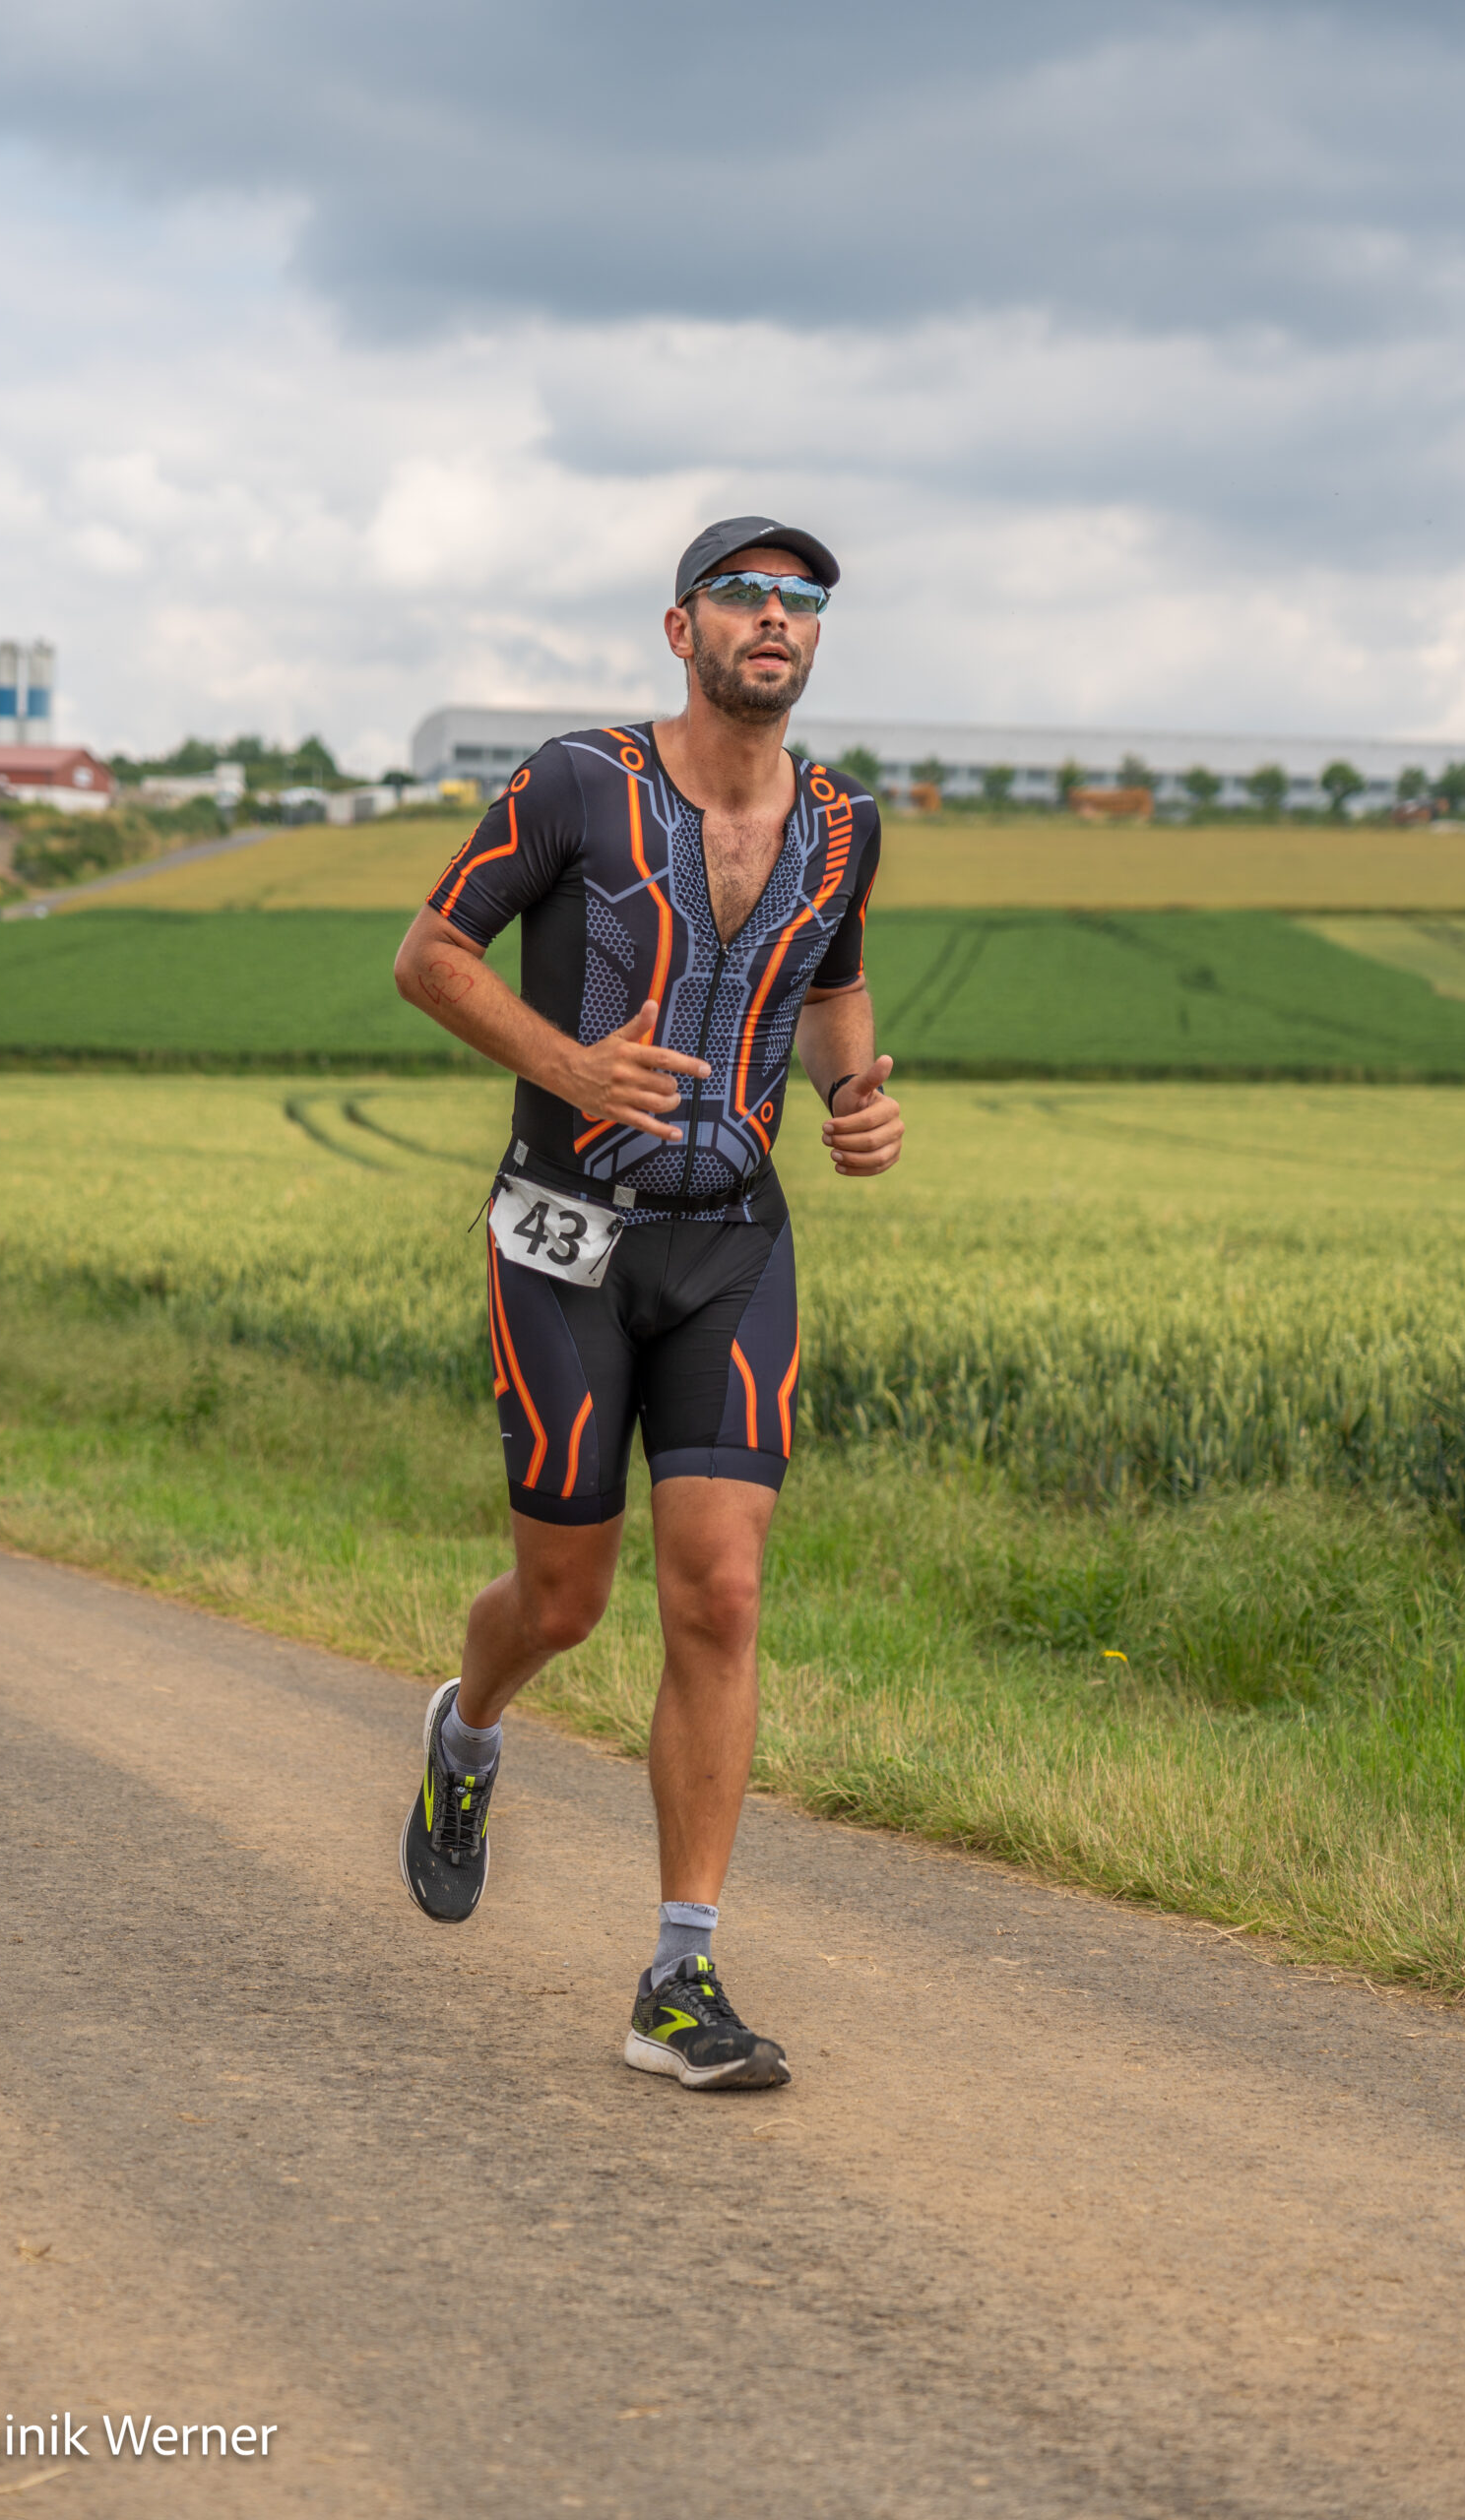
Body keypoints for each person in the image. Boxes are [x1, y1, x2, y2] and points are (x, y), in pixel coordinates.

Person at [391, 515, 904, 2089]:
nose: (775, 617)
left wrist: (857, 1098)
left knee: (721, 1593)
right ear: (683, 630)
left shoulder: (844, 823)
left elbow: (832, 985)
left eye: (801, 599)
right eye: (743, 594)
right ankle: (469, 1727)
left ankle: (679, 1979)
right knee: (565, 1600)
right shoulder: (575, 784)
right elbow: (429, 956)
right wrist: (569, 1065)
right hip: (565, 1237)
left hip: (732, 1242)